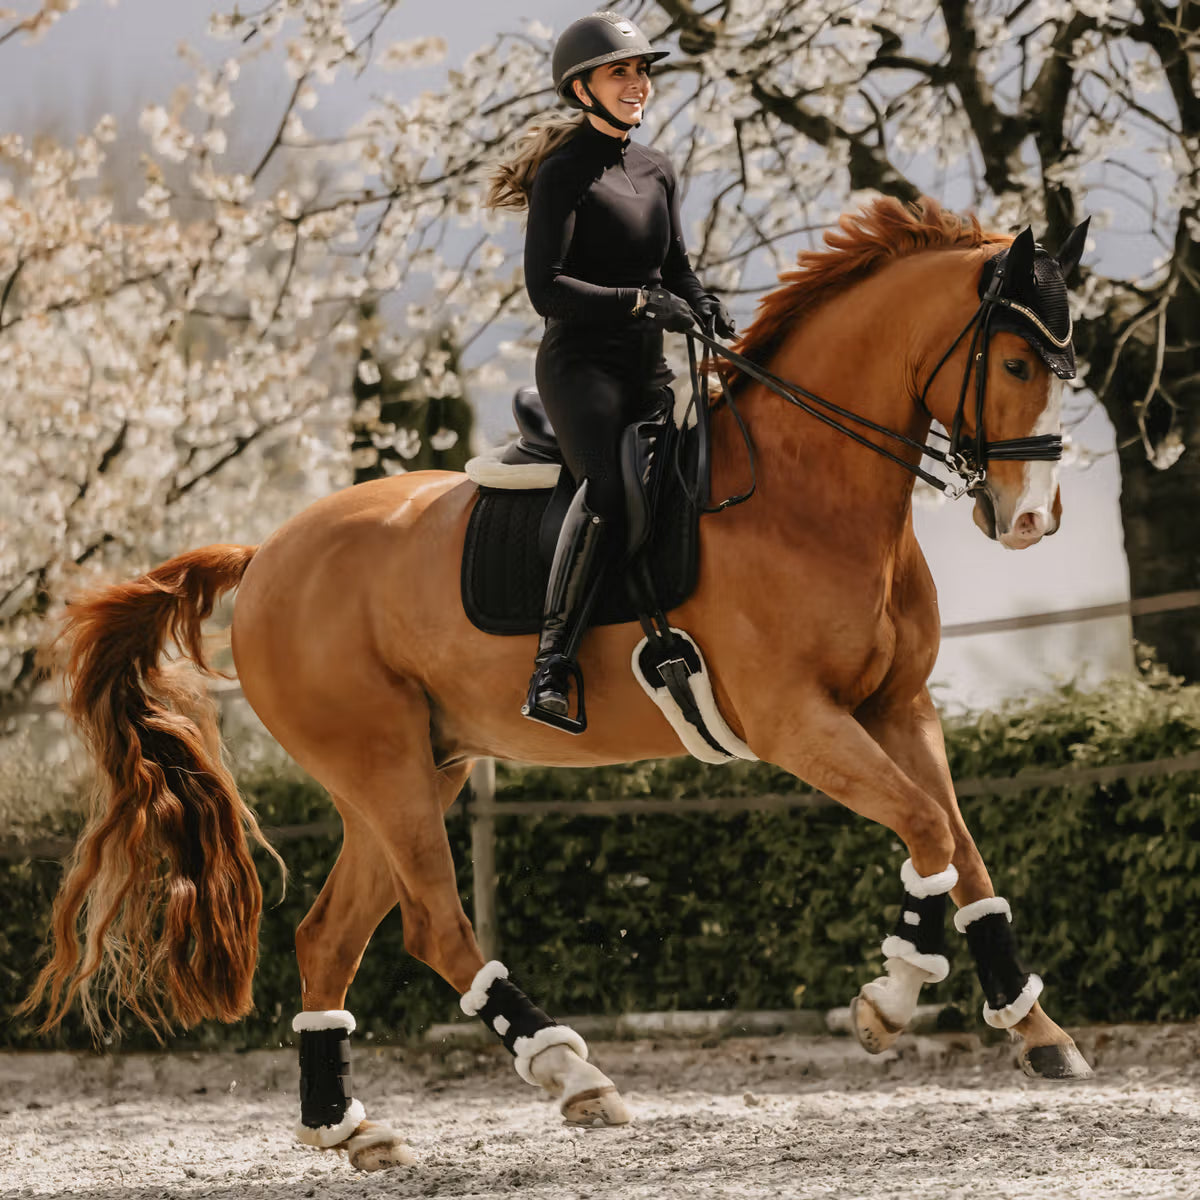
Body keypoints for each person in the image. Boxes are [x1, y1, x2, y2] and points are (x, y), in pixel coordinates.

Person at [486, 10, 735, 732]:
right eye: (620, 72)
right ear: (582, 88)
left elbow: (677, 270)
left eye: (642, 71)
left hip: (647, 372)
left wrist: (708, 310)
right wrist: (636, 303)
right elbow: (547, 289)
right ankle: (552, 666)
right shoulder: (563, 174)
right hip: (581, 370)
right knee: (607, 491)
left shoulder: (656, 168)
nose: (637, 83)